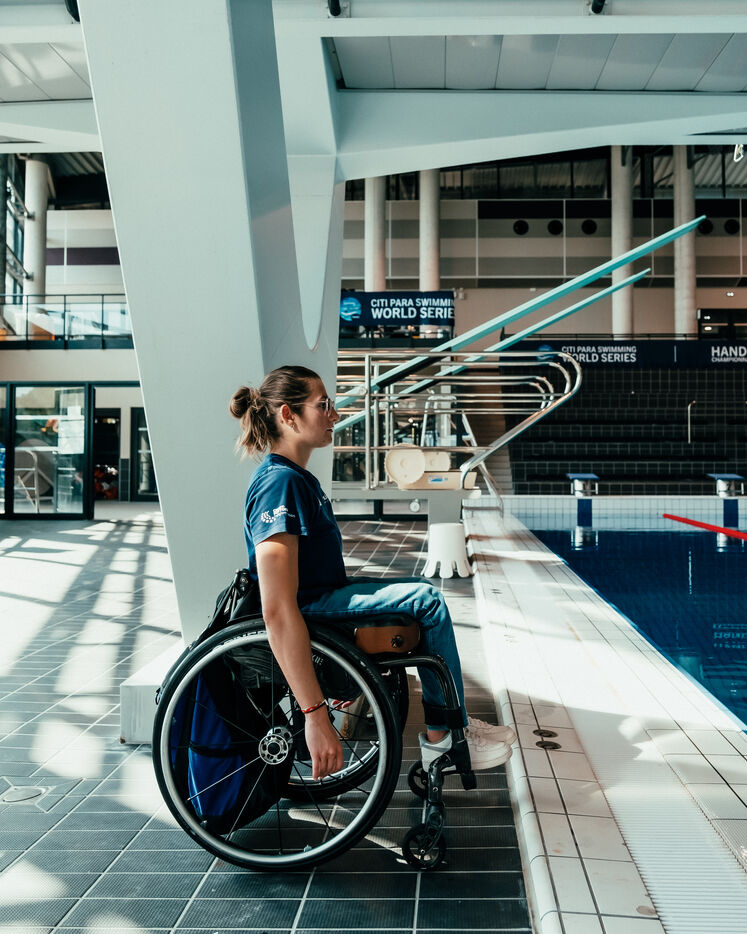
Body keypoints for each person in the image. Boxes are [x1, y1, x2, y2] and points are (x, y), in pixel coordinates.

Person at [229, 364, 515, 781]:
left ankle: (453, 723)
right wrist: (315, 714)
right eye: (323, 405)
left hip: (322, 599)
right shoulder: (279, 485)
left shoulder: (296, 479)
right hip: (311, 609)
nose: (335, 414)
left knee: (418, 590)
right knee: (426, 601)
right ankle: (445, 737)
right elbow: (276, 608)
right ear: (288, 415)